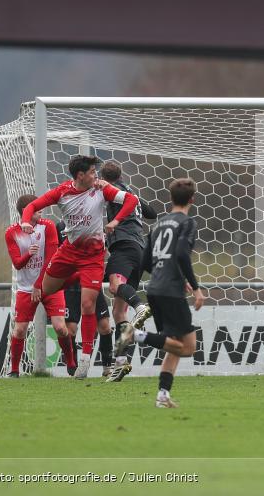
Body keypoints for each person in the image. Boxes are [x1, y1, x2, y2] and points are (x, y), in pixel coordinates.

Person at [20, 155, 139, 379]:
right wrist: (27, 221)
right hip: (68, 252)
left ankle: (85, 359)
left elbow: (132, 200)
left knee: (88, 305)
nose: (97, 175)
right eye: (93, 172)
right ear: (80, 175)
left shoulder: (103, 190)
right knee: (46, 288)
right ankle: (79, 280)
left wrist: (114, 221)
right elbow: (33, 205)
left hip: (93, 257)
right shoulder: (62, 192)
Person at [115, 178, 205, 408]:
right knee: (189, 347)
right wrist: (195, 287)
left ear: (170, 198)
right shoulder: (186, 223)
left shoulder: (159, 225)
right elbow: (183, 255)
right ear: (192, 200)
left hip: (155, 288)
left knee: (173, 343)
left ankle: (163, 396)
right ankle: (135, 335)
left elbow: (145, 261)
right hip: (171, 291)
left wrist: (165, 272)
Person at [3, 195, 76, 377]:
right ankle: (14, 371)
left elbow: (52, 258)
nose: (40, 210)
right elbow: (18, 264)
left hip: (49, 285)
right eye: (36, 209)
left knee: (60, 327)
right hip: (25, 288)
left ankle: (71, 362)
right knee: (20, 330)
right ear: (25, 212)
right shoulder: (11, 232)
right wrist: (28, 254)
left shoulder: (48, 226)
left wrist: (39, 284)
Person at [100, 161, 157, 382]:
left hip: (124, 245)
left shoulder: (114, 192)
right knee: (118, 313)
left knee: (115, 286)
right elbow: (151, 213)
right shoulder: (128, 191)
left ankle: (140, 306)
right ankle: (121, 364)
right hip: (139, 250)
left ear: (104, 178)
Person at [57, 220, 113, 377]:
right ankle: (74, 368)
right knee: (70, 329)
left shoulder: (94, 225)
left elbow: (104, 248)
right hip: (72, 285)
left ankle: (107, 367)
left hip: (91, 281)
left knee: (104, 326)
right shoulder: (60, 227)